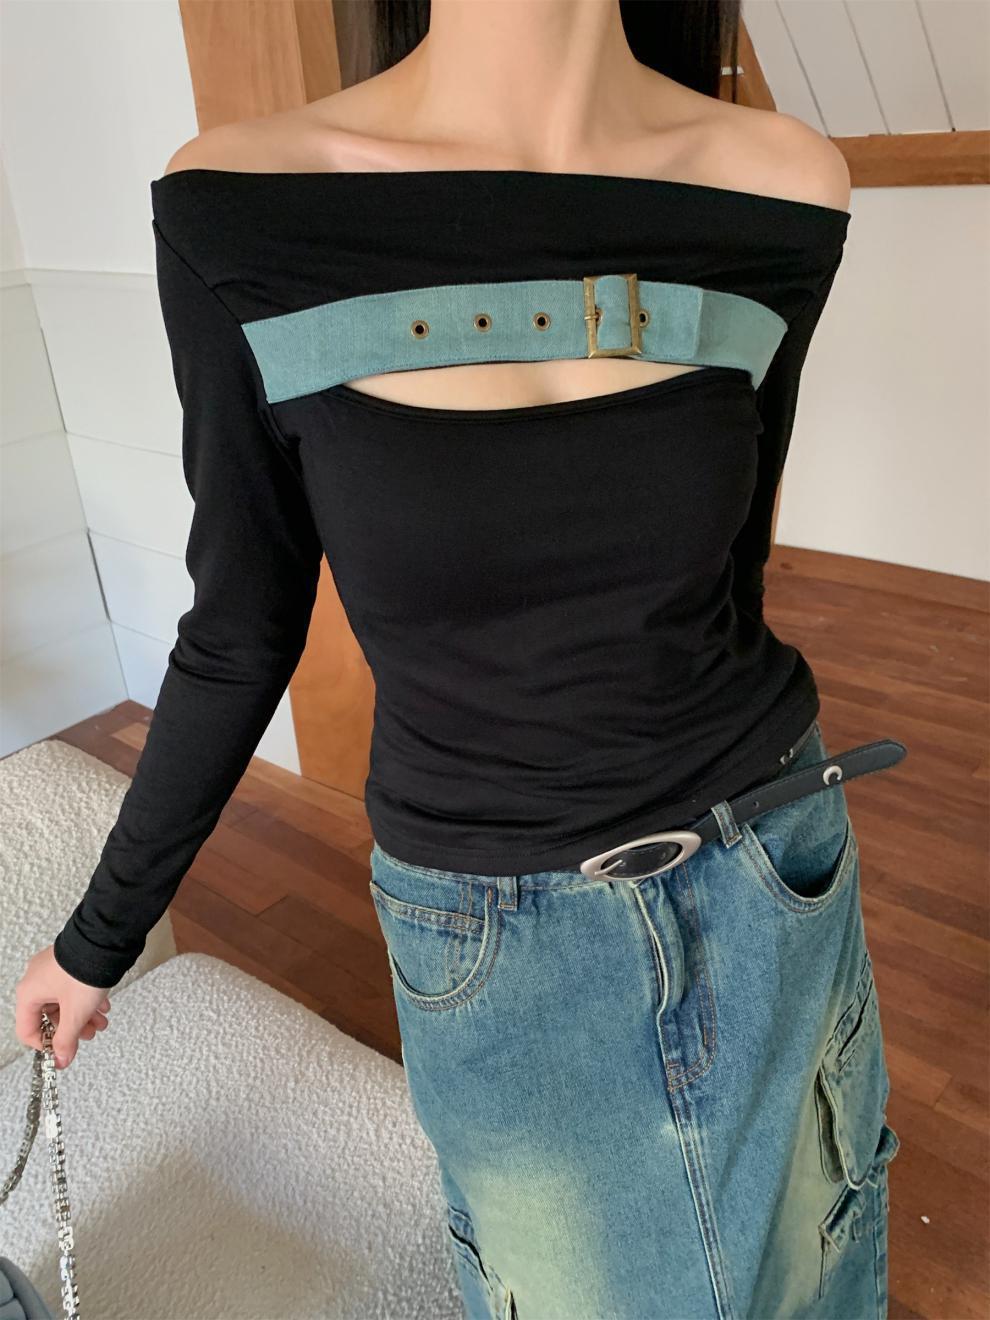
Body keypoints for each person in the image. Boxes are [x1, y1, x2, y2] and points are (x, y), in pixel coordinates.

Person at [15, 3, 903, 1316]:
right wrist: (98, 939)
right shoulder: (240, 207)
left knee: (818, 1256)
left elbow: (732, 571)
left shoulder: (778, 182)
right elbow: (240, 630)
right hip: (493, 927)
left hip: (770, 861)